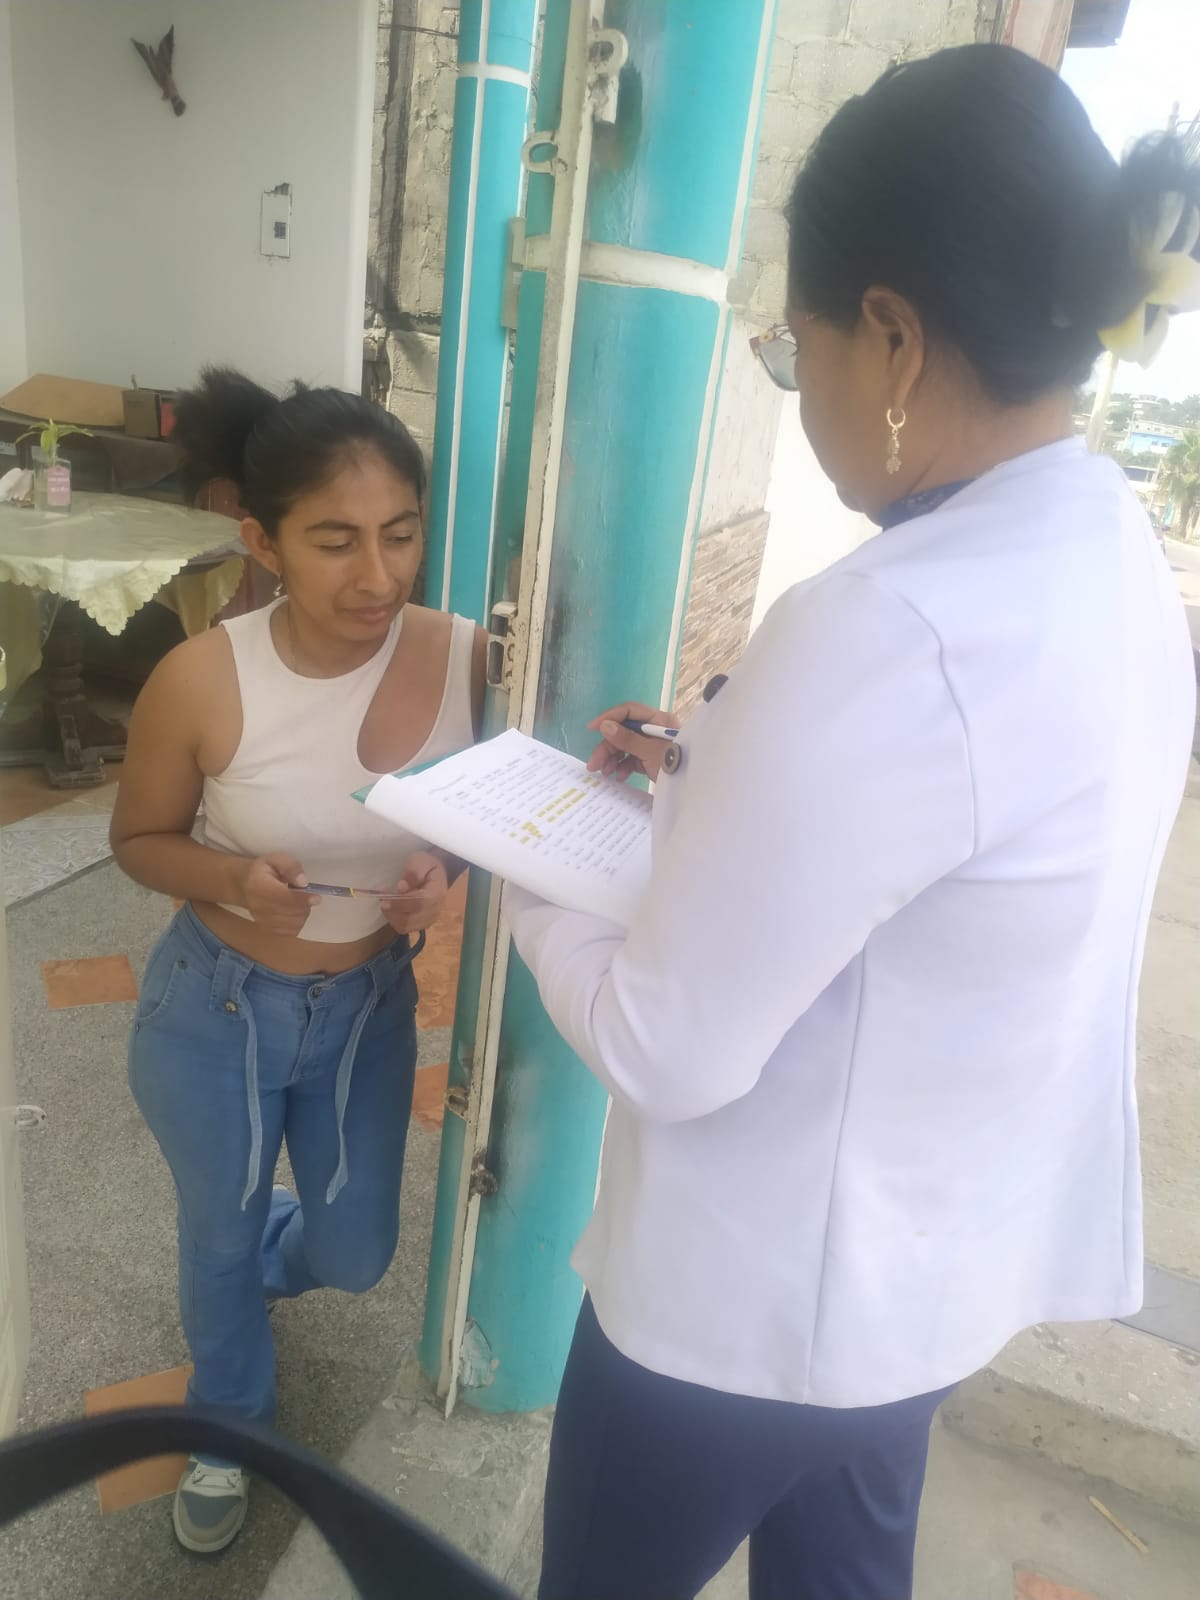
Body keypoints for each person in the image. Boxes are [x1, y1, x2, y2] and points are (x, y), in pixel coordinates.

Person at [499, 45, 1199, 1600]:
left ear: (888, 333)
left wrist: (530, 867)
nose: (796, 379)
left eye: (788, 344)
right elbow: (946, 842)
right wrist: (718, 764)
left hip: (732, 1327)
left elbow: (668, 1047)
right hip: (917, 1302)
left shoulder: (888, 623)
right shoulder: (1109, 558)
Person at [110, 369, 485, 1554]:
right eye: (335, 541)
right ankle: (228, 1422)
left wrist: (442, 870)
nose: (377, 575)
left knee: (355, 1250)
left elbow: (494, 811)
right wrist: (232, 875)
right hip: (214, 1010)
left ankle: (246, 1250)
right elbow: (138, 840)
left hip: (367, 1006)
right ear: (262, 539)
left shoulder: (469, 661)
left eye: (400, 533)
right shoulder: (204, 677)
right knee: (217, 1238)